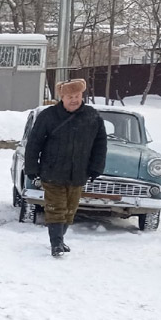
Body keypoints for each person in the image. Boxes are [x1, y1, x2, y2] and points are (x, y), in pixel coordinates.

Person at [22, 78, 107, 257]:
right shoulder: (48, 116)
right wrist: (31, 167)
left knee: (70, 210)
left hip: (78, 172)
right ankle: (56, 243)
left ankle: (60, 238)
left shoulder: (92, 116)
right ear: (62, 97)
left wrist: (96, 167)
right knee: (56, 208)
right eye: (70, 96)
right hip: (52, 171)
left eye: (77, 96)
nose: (74, 100)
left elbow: (100, 144)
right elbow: (34, 143)